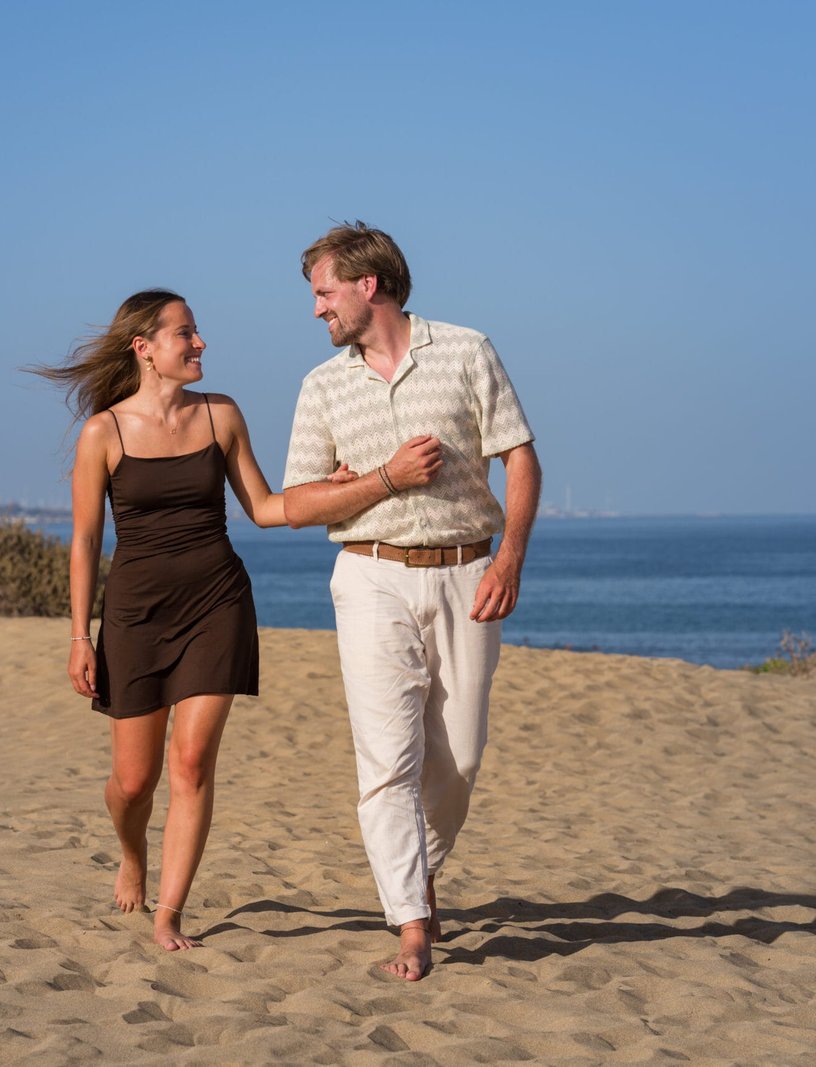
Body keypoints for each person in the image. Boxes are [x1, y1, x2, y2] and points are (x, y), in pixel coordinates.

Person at [37, 289, 369, 951]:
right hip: (133, 616)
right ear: (146, 348)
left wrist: (332, 488)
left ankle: (169, 912)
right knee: (134, 783)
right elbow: (83, 541)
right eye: (186, 333)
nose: (200, 344)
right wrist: (80, 635)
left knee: (190, 764)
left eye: (197, 332)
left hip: (217, 604)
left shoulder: (221, 416)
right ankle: (132, 853)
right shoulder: (104, 431)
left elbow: (266, 505)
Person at [282, 223, 542, 981]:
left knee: (457, 756)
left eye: (324, 292)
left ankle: (416, 870)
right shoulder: (321, 385)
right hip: (369, 576)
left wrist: (511, 558)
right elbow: (299, 502)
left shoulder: (466, 350)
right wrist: (386, 478)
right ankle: (411, 921)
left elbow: (519, 456)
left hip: (467, 572)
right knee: (386, 760)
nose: (316, 311)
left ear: (370, 286)